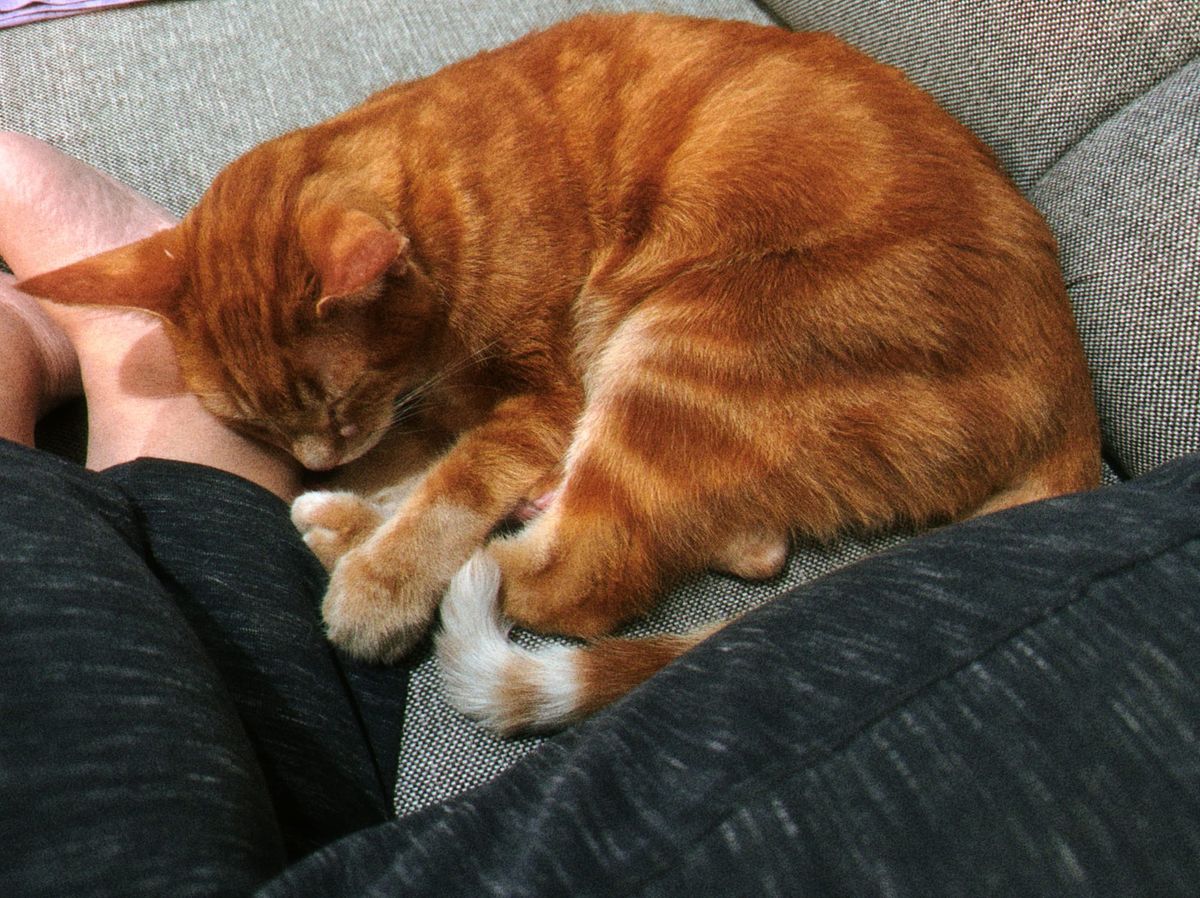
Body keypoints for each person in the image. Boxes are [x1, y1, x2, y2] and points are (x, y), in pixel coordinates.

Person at [2, 133, 1198, 897]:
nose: (323, 447)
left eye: (332, 406)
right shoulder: (454, 214)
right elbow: (538, 392)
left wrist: (426, 530)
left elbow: (545, 389)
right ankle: (717, 497)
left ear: (367, 270)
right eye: (293, 423)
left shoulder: (442, 231)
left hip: (866, 293)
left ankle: (577, 563)